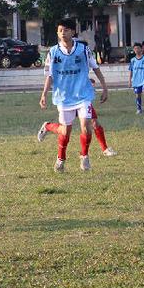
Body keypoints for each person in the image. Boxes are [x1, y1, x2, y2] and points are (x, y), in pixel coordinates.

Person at [37, 18, 108, 173]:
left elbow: (95, 68)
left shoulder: (83, 49)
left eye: (66, 30)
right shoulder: (53, 52)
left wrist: (104, 87)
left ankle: (84, 157)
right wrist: (43, 95)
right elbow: (49, 75)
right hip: (63, 96)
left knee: (86, 127)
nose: (63, 33)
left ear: (73, 32)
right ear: (57, 32)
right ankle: (58, 153)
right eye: (60, 30)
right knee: (64, 132)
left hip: (83, 94)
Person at [40, 79, 116, 157]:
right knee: (64, 130)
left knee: (94, 122)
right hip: (67, 100)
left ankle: (104, 149)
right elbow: (50, 77)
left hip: (82, 100)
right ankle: (47, 126)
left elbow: (94, 69)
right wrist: (44, 94)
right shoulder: (56, 67)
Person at [129, 44, 144, 114]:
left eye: (138, 48)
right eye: (135, 49)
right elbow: (131, 70)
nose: (137, 50)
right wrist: (129, 81)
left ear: (141, 49)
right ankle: (139, 109)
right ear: (134, 50)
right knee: (137, 95)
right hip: (136, 80)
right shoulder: (132, 60)